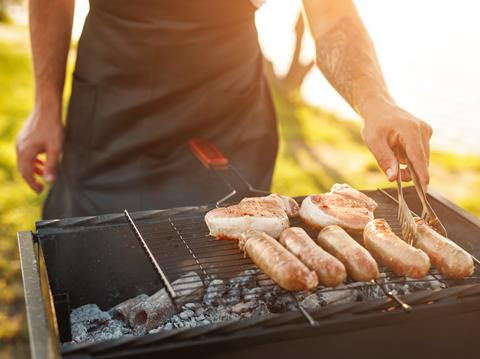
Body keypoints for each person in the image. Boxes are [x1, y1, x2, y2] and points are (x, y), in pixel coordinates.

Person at [16, 0, 432, 219]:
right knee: (95, 263)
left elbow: (331, 15)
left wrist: (375, 99)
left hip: (226, 117)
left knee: (228, 266)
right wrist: (45, 104)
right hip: (109, 108)